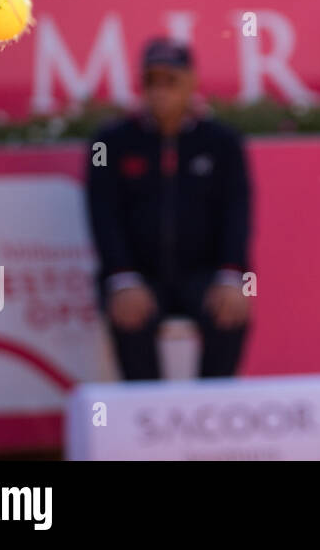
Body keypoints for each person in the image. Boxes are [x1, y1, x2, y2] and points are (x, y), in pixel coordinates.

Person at [85, 38, 253, 380]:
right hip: (136, 274)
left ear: (191, 82)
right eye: (151, 80)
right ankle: (148, 419)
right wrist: (121, 278)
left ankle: (213, 414)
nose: (160, 90)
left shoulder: (223, 142)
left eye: (171, 80)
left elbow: (237, 212)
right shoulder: (108, 142)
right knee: (129, 313)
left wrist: (232, 276)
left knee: (232, 308)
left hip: (203, 274)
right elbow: (102, 213)